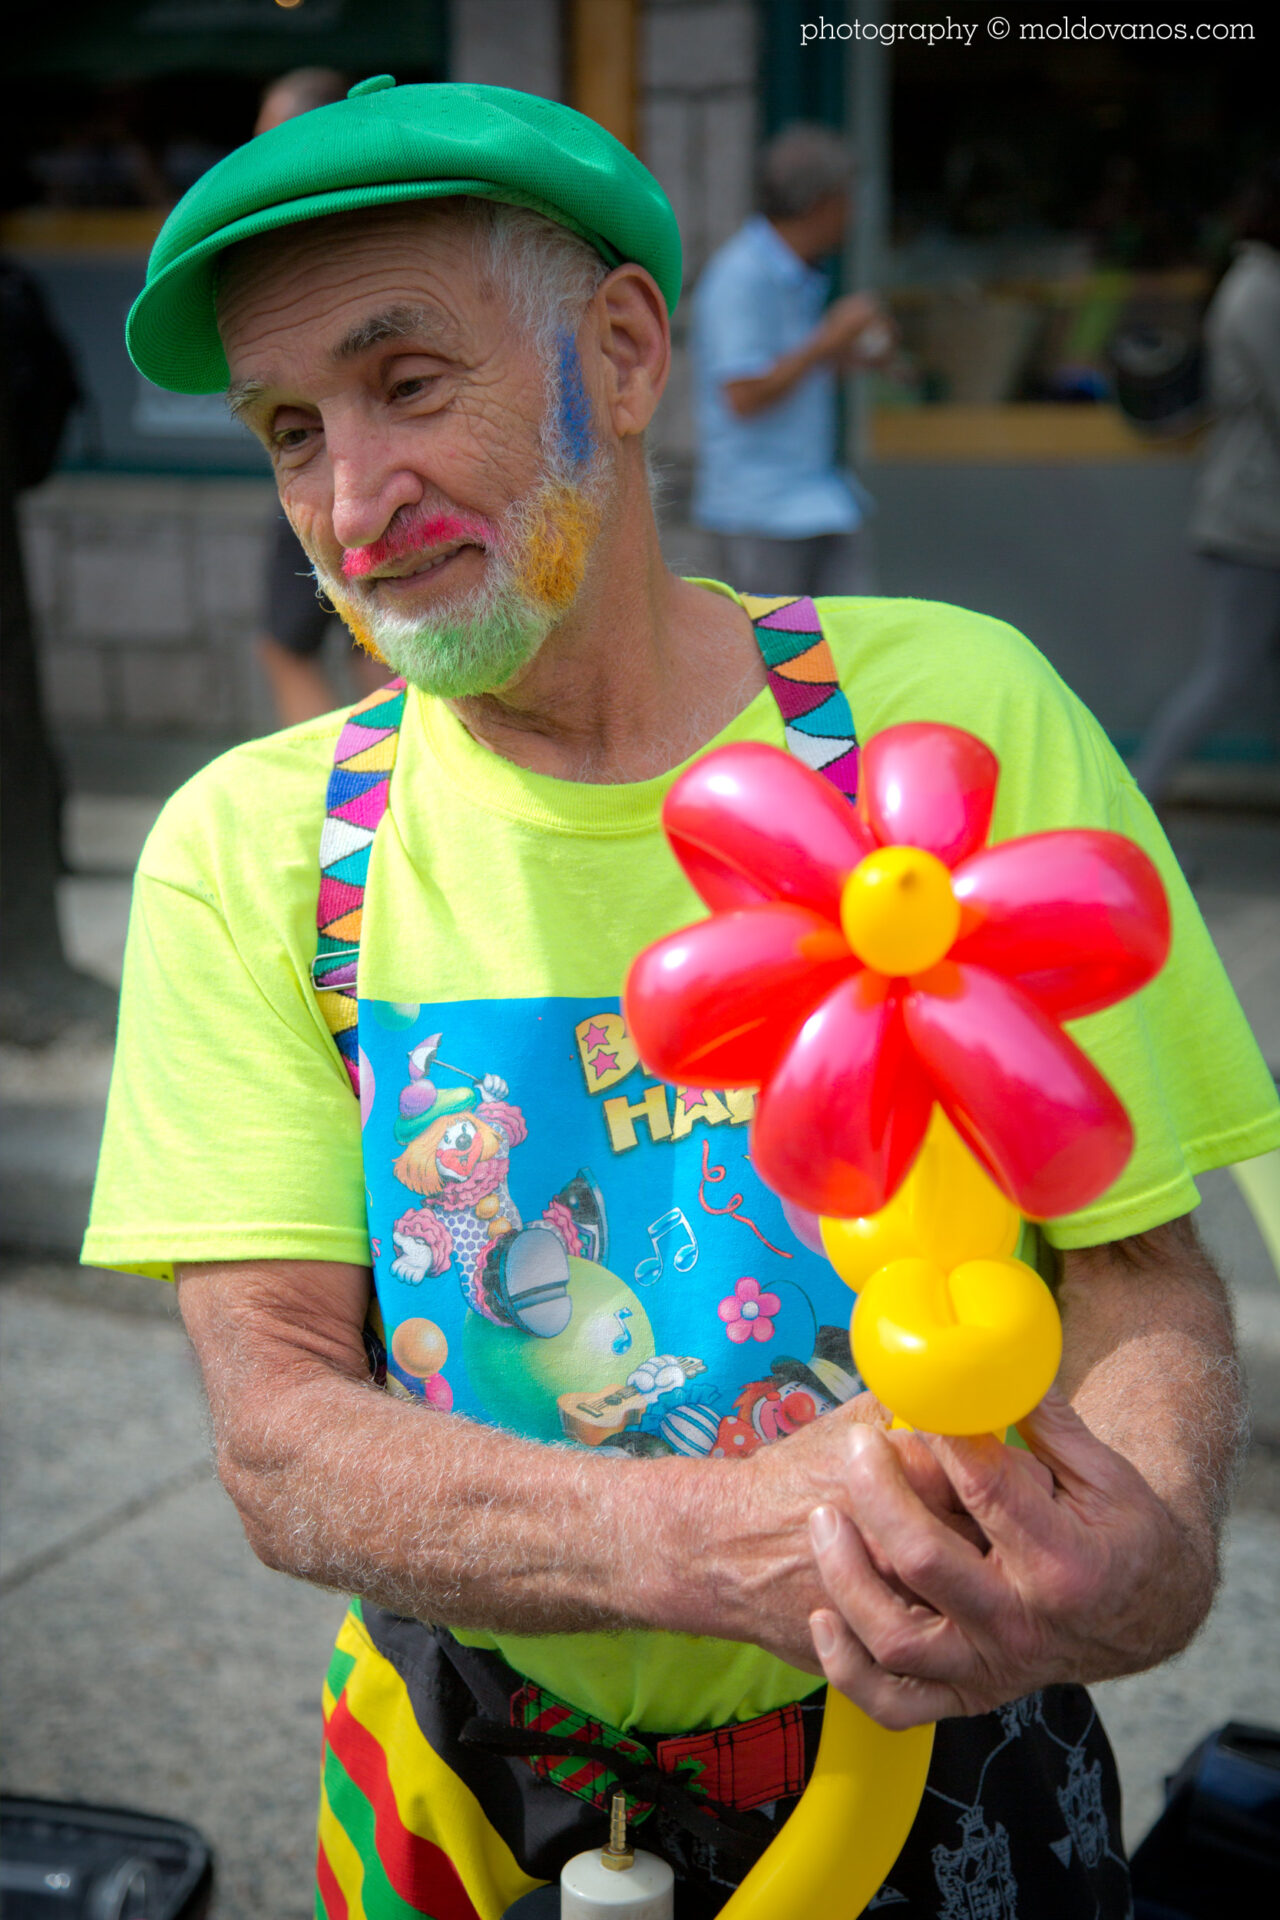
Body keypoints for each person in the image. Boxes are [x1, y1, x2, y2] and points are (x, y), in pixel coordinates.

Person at [85, 79, 1280, 1920]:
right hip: (453, 1794)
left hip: (945, 1777)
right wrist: (700, 1538)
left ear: (626, 357)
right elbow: (282, 1435)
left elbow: (1136, 1270)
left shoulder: (953, 720)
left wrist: (1152, 1540)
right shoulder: (248, 847)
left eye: (409, 384)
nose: (351, 498)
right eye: (286, 429)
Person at [690, 123, 893, 599]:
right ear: (820, 203)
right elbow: (742, 395)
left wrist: (851, 354)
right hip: (762, 513)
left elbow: (790, 376)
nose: (853, 212)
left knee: (845, 651)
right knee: (782, 659)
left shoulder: (794, 270)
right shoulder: (741, 277)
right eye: (846, 197)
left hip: (815, 500)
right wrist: (827, 340)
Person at [1132, 159, 1280, 806]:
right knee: (1225, 672)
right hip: (1256, 519)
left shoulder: (1258, 283)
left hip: (1256, 512)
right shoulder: (1260, 290)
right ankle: (1136, 800)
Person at [250, 67, 389, 725]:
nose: (256, 162)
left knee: (298, 643)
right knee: (382, 639)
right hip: (329, 472)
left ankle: (339, 796)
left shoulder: (312, 227)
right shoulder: (362, 219)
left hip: (337, 468)